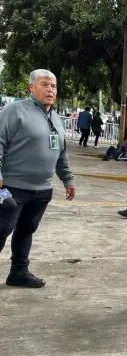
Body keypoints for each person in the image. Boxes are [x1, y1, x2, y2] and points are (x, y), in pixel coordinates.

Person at [0, 69, 76, 288]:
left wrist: (68, 180)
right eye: (44, 85)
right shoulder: (14, 111)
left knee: (26, 230)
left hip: (42, 190)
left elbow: (61, 153)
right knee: (2, 228)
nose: (50, 90)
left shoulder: (56, 118)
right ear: (31, 87)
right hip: (10, 187)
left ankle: (18, 273)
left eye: (53, 86)